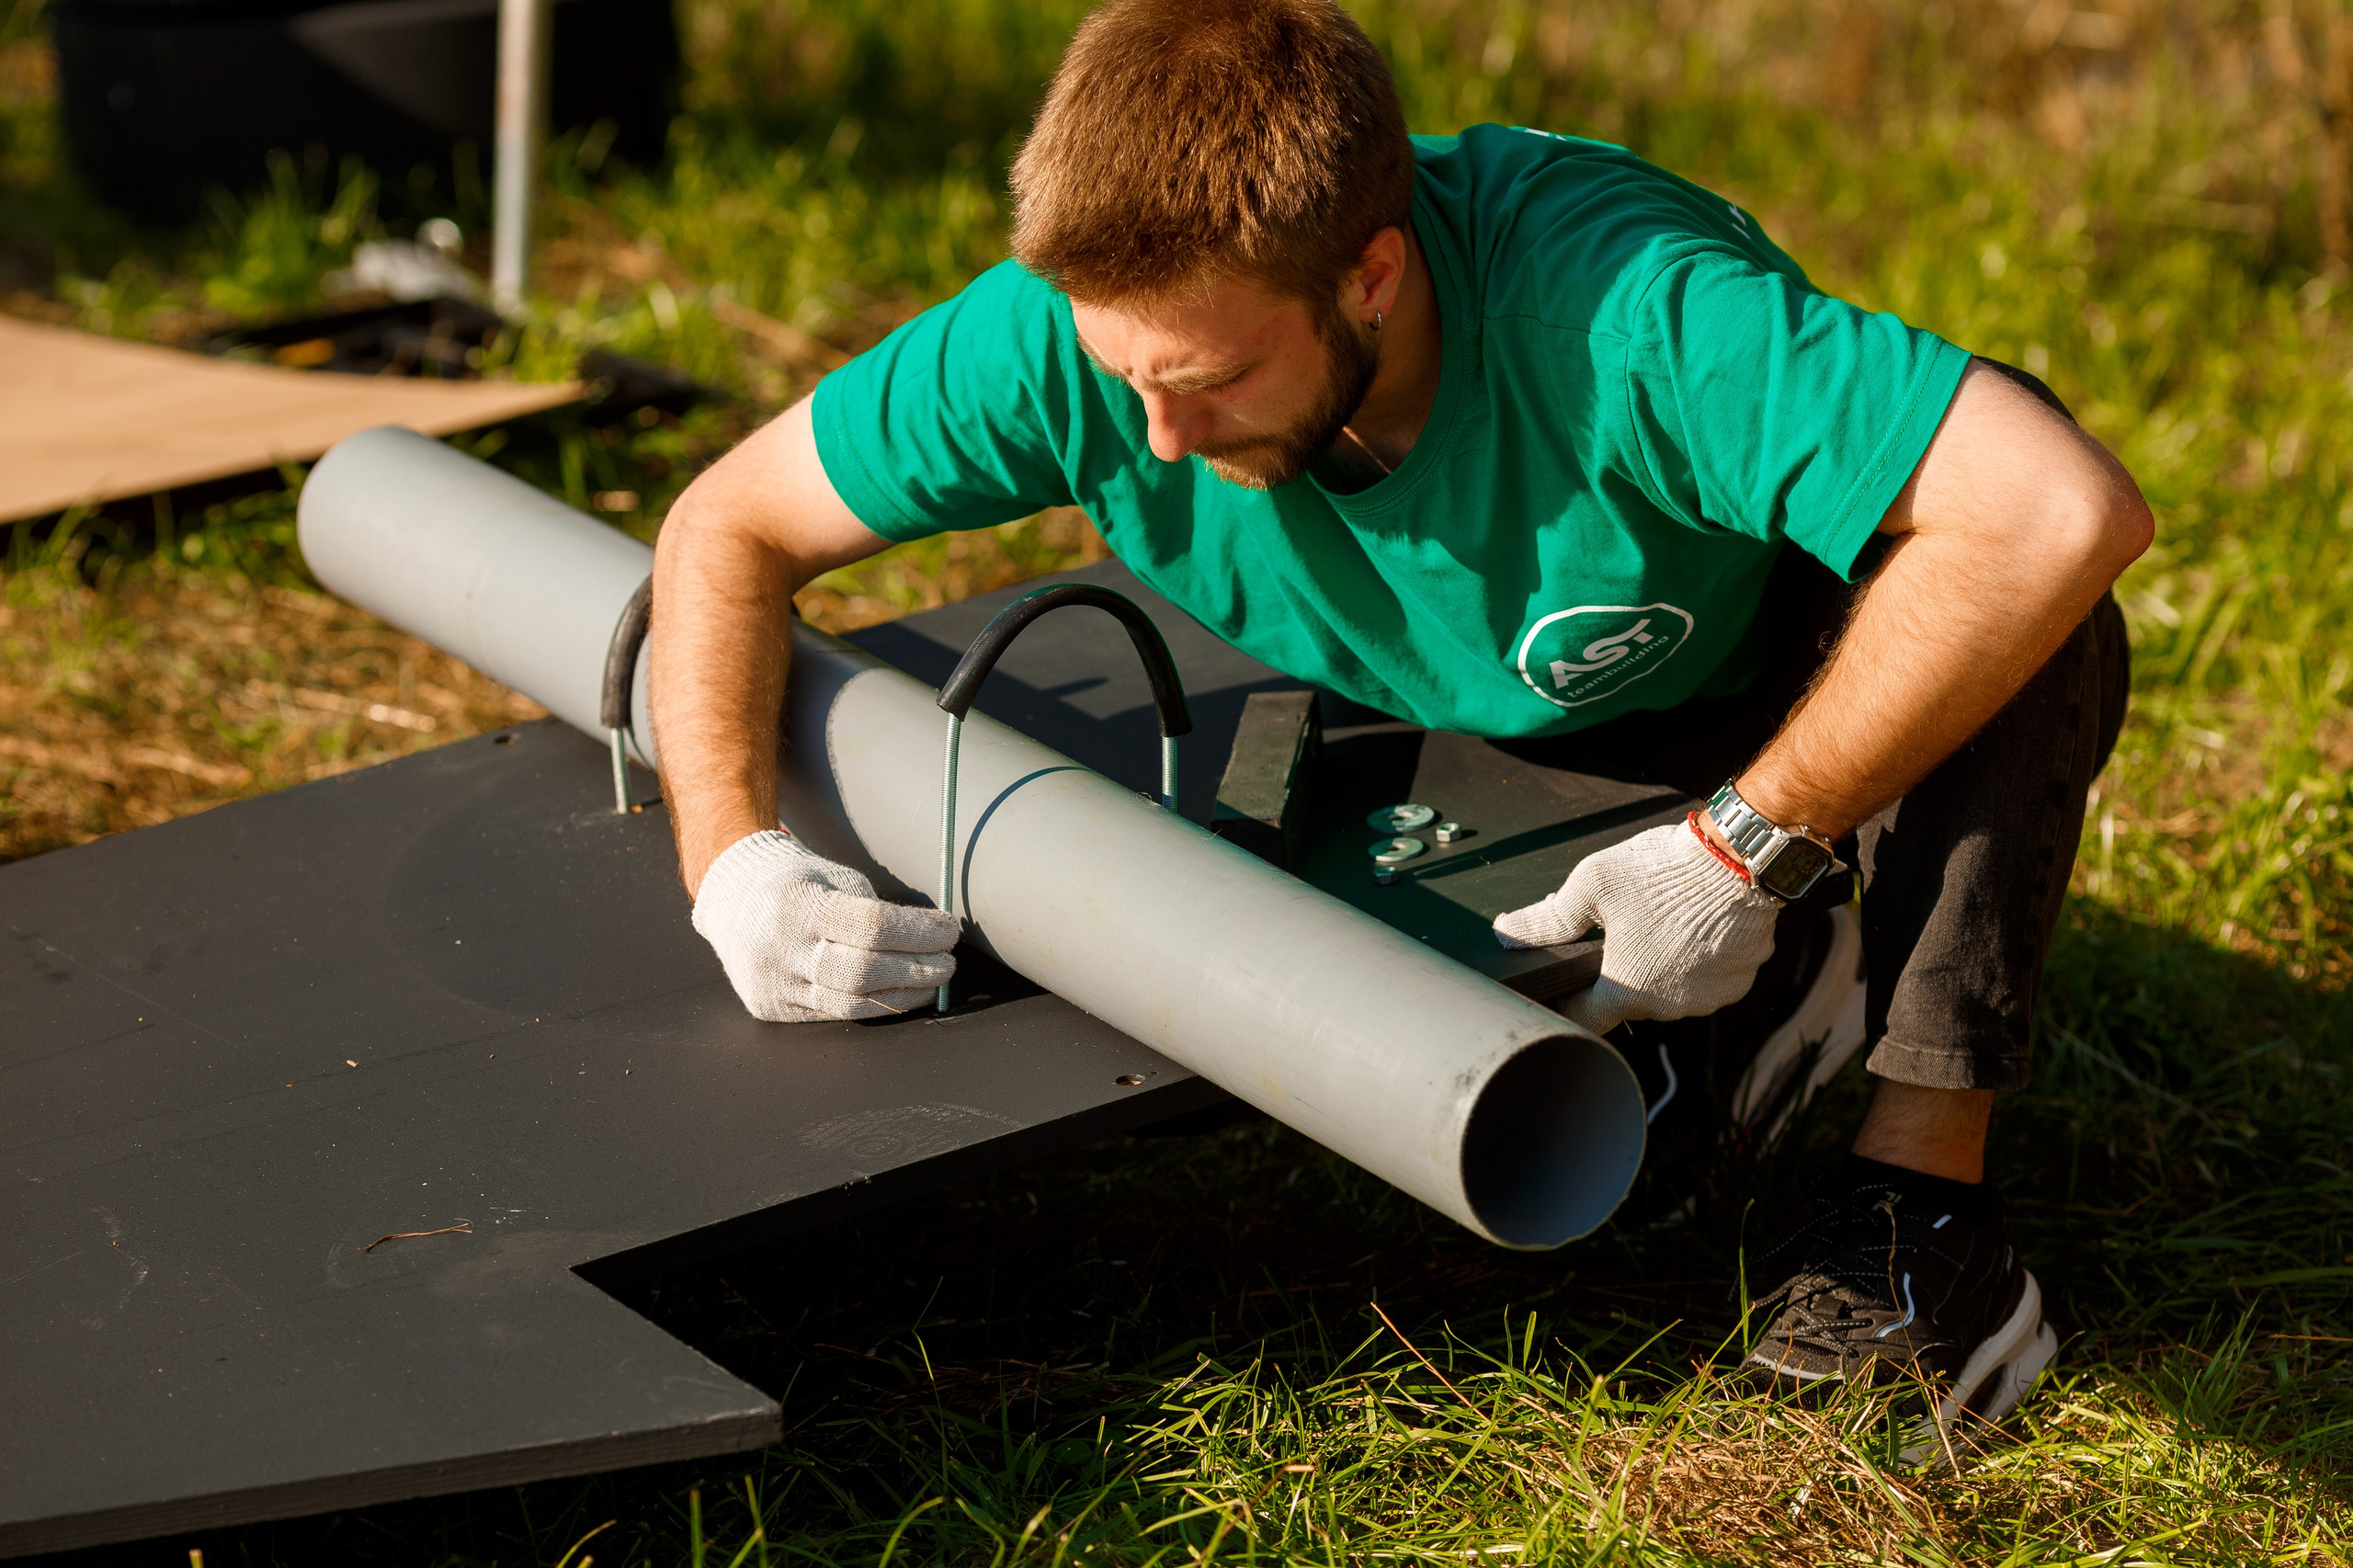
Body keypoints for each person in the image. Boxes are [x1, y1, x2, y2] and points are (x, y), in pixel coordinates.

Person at [649, 0, 2150, 1444]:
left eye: (1214, 379)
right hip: (1478, 701)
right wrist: (732, 864)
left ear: (1371, 273)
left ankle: (1926, 1218)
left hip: (1775, 691)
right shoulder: (1074, 345)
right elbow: (724, 530)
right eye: (1125, 377)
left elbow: (2056, 511)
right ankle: (1792, 982)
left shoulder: (1626, 311)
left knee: (2029, 603)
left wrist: (1743, 846)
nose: (1155, 439)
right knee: (1604, 1162)